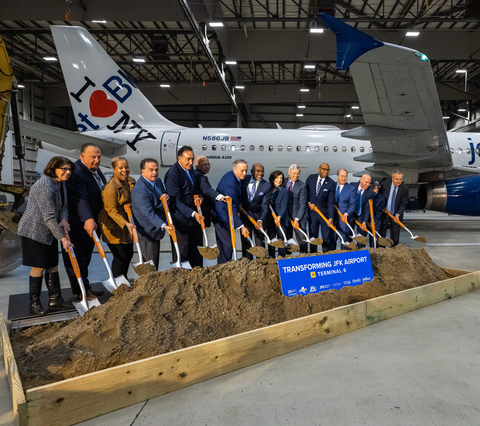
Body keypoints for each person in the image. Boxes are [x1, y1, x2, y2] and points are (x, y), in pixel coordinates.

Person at [17, 156, 74, 314]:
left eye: (69, 169)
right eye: (64, 169)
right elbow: (48, 216)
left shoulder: (60, 183)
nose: (67, 172)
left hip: (50, 230)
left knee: (52, 264)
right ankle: (34, 304)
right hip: (34, 231)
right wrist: (62, 238)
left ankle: (55, 301)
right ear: (53, 168)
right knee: (39, 265)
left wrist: (63, 219)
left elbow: (64, 205)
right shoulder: (44, 185)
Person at [62, 143, 106, 301]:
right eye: (93, 157)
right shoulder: (77, 173)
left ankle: (86, 287)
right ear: (82, 157)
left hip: (90, 223)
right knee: (77, 258)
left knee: (86, 257)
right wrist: (88, 219)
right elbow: (81, 198)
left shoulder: (93, 169)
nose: (97, 160)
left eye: (99, 157)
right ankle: (80, 291)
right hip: (77, 224)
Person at [164, 145, 204, 268]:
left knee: (196, 252)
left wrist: (200, 197)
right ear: (179, 158)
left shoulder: (190, 170)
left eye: (192, 159)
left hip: (193, 219)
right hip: (181, 220)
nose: (191, 162)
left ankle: (197, 276)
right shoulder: (173, 175)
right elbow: (175, 201)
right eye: (188, 159)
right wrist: (193, 213)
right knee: (182, 252)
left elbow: (195, 189)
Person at [131, 158, 174, 270]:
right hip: (147, 232)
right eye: (151, 170)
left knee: (155, 262)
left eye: (156, 170)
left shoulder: (158, 181)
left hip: (156, 229)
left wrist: (166, 197)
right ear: (143, 171)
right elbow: (148, 213)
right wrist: (164, 226)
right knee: (150, 265)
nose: (154, 173)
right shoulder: (140, 189)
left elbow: (163, 196)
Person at [97, 156, 136, 280]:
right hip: (114, 227)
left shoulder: (130, 181)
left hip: (127, 225)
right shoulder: (111, 188)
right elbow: (111, 210)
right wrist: (126, 223)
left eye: (126, 167)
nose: (124, 170)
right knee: (120, 256)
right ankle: (118, 285)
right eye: (120, 168)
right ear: (114, 169)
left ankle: (123, 280)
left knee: (129, 254)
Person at [212, 159, 249, 264]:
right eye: (242, 171)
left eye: (246, 170)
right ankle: (224, 268)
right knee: (227, 244)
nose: (245, 173)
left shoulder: (234, 176)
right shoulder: (230, 184)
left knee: (226, 244)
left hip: (226, 215)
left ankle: (224, 266)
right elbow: (231, 207)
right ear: (234, 169)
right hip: (222, 216)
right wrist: (241, 226)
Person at [240, 163, 272, 259]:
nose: (260, 173)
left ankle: (261, 264)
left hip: (258, 218)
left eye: (262, 171)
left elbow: (265, 205)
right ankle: (248, 264)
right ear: (252, 171)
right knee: (246, 243)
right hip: (245, 217)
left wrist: (260, 220)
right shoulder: (243, 180)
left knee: (259, 244)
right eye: (258, 171)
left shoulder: (266, 186)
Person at [306, 162, 336, 252]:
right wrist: (308, 203)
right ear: (319, 169)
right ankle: (313, 256)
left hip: (324, 214)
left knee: (326, 237)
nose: (325, 172)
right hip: (312, 214)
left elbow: (331, 202)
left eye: (327, 170)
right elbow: (306, 194)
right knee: (313, 237)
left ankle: (326, 257)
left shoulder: (331, 183)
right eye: (323, 169)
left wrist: (330, 217)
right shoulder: (311, 178)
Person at [194, 156, 226, 227]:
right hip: (200, 211)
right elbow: (206, 189)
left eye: (208, 164)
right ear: (197, 166)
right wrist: (220, 196)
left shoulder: (200, 175)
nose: (207, 166)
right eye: (204, 165)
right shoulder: (199, 176)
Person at [380, 169, 409, 246]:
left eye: (400, 179)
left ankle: (393, 251)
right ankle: (381, 251)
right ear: (392, 178)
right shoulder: (384, 184)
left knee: (395, 236)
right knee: (382, 233)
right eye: (396, 179)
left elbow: (403, 203)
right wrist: (381, 207)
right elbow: (379, 197)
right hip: (384, 213)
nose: (398, 181)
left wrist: (398, 214)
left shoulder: (405, 188)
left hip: (395, 215)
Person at [284, 164, 308, 254]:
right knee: (287, 239)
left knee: (302, 240)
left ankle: (303, 258)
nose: (296, 175)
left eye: (298, 173)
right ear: (289, 172)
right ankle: (288, 258)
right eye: (294, 173)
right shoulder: (283, 181)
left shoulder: (302, 185)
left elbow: (302, 204)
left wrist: (297, 218)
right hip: (285, 215)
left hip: (298, 216)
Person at [266, 170, 288, 258]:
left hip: (280, 219)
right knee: (271, 240)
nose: (279, 180)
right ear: (272, 178)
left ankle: (281, 258)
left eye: (281, 178)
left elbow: (284, 206)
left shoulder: (284, 191)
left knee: (281, 240)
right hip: (270, 219)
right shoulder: (268, 189)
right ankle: (271, 258)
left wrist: (279, 216)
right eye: (277, 178)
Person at [334, 168, 358, 250]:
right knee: (332, 240)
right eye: (341, 176)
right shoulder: (332, 186)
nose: (343, 178)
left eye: (345, 176)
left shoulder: (351, 189)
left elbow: (353, 205)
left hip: (344, 219)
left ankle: (344, 258)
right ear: (337, 177)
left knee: (344, 241)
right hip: (332, 218)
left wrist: (346, 213)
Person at [351, 174, 374, 248]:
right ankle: (348, 253)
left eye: (369, 183)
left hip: (361, 214)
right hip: (350, 213)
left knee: (362, 234)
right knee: (348, 233)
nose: (368, 185)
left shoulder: (370, 192)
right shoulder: (352, 186)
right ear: (361, 180)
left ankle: (360, 253)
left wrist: (364, 221)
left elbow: (367, 208)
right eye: (366, 182)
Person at [369, 181, 386, 247]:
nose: (375, 190)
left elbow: (379, 212)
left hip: (376, 220)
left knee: (375, 237)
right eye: (374, 188)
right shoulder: (367, 195)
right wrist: (368, 221)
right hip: (367, 219)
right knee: (370, 238)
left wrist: (373, 222)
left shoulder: (381, 198)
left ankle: (376, 248)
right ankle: (371, 247)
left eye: (377, 188)